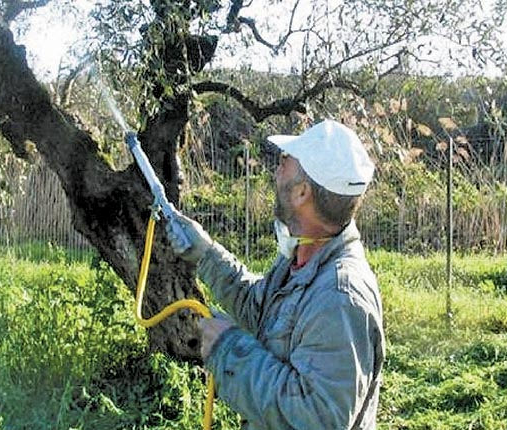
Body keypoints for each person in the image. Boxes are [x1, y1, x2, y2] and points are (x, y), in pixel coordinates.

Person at [165, 119, 385, 430]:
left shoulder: (340, 298)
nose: (277, 169)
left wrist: (229, 351)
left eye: (285, 162)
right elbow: (261, 307)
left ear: (301, 193)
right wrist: (205, 254)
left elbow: (318, 418)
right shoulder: (303, 256)